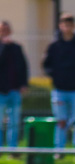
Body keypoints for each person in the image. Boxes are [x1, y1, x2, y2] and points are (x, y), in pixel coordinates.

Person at [42, 13, 75, 159]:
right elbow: (46, 65)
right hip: (59, 90)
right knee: (61, 121)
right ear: (60, 26)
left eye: (70, 25)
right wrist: (56, 77)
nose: (67, 28)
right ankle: (59, 151)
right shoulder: (54, 46)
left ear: (74, 26)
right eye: (64, 25)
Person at [0, 20, 29, 150]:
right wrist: (4, 47)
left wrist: (24, 84)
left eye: (6, 30)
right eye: (2, 30)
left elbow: (23, 66)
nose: (4, 33)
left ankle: (13, 149)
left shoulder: (17, 48)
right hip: (1, 91)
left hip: (14, 90)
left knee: (14, 122)